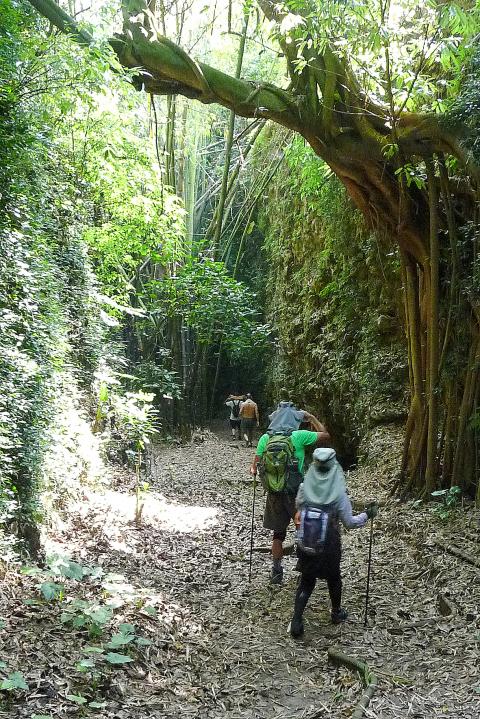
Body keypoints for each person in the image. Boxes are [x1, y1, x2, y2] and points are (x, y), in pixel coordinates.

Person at [289, 447, 378, 637]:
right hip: (329, 542)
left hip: (306, 538)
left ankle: (296, 620)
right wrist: (367, 515)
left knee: (306, 580)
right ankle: (336, 613)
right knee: (334, 578)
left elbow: (299, 507)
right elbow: (349, 523)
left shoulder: (305, 486)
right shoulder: (338, 493)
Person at [250, 409, 330, 584]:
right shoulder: (299, 436)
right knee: (303, 531)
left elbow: (254, 468)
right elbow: (325, 435)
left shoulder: (265, 438)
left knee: (278, 534)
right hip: (297, 494)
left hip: (274, 494)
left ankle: (276, 572)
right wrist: (312, 418)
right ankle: (304, 569)